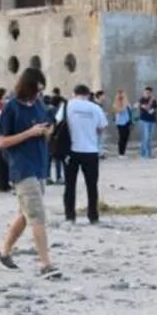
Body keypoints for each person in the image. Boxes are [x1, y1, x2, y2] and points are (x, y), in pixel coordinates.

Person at [0, 67, 61, 279]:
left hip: (40, 164)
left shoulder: (39, 105)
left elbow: (45, 126)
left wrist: (47, 131)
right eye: (36, 89)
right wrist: (29, 133)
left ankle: (4, 251)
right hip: (22, 167)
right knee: (37, 216)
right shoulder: (10, 108)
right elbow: (2, 141)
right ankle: (45, 263)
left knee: (25, 214)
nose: (39, 94)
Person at [60, 84, 108, 224]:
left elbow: (59, 123)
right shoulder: (95, 108)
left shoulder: (67, 105)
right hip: (91, 151)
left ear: (74, 93)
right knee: (92, 185)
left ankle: (70, 216)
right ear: (88, 94)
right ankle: (93, 215)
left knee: (70, 185)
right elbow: (101, 128)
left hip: (71, 150)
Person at [137, 86, 157, 158]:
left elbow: (154, 109)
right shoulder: (142, 99)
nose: (147, 94)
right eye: (146, 92)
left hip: (152, 120)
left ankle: (148, 153)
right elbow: (145, 107)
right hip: (144, 120)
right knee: (145, 138)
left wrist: (152, 109)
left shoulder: (154, 100)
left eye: (149, 93)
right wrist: (150, 105)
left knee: (149, 138)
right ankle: (145, 154)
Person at [112, 89, 133, 158]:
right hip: (120, 123)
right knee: (122, 137)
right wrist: (124, 105)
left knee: (126, 137)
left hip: (127, 122)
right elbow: (119, 111)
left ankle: (123, 152)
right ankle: (120, 153)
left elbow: (130, 109)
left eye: (123, 94)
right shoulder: (116, 103)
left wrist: (127, 102)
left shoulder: (126, 102)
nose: (122, 96)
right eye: (120, 94)